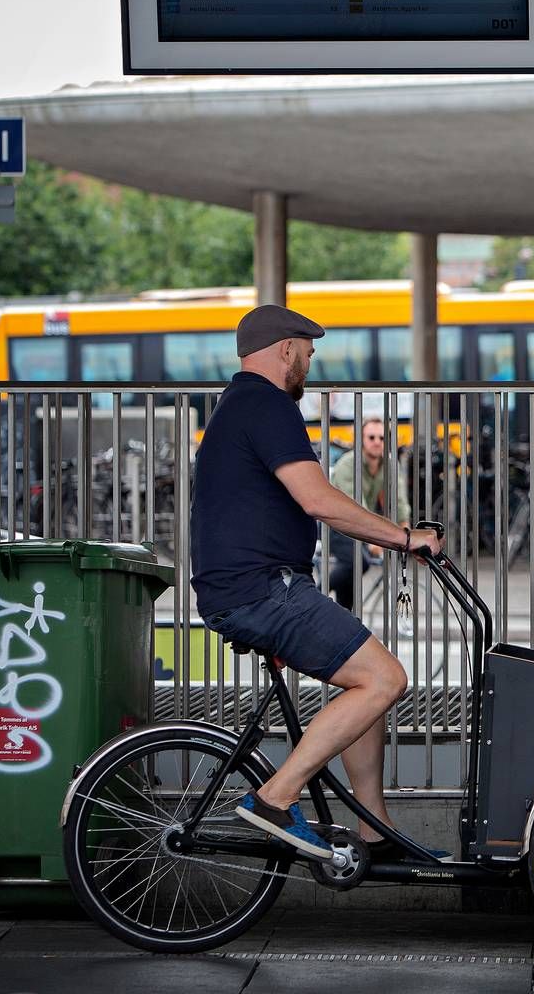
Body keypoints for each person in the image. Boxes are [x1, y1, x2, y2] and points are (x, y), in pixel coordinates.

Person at [191, 305, 441, 863]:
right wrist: (405, 538)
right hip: (261, 589)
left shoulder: (239, 404)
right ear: (286, 348)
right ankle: (275, 797)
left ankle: (374, 835)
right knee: (385, 678)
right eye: (308, 350)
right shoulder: (266, 404)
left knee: (368, 686)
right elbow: (319, 501)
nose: (310, 361)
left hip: (259, 586)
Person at [326, 416, 409, 611]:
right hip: (335, 523)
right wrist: (373, 539)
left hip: (360, 527)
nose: (377, 442)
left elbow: (399, 500)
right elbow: (355, 506)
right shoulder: (348, 464)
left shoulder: (389, 464)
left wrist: (405, 532)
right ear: (361, 439)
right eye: (371, 437)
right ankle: (315, 591)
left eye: (381, 438)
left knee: (352, 572)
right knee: (358, 562)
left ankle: (344, 616)